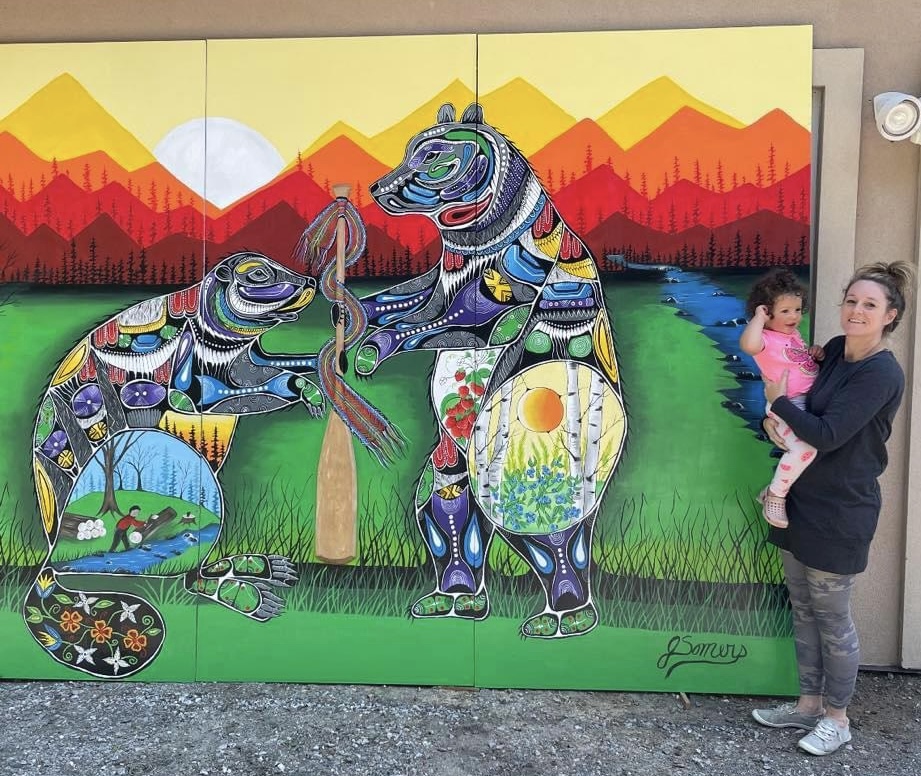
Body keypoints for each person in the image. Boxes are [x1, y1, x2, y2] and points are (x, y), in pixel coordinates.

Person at [751, 261, 914, 756]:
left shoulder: (881, 374)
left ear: (891, 315)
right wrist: (773, 426)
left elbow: (826, 433)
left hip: (841, 510)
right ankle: (807, 704)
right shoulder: (837, 351)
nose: (856, 311)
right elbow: (806, 416)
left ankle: (837, 719)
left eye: (869, 305)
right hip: (798, 497)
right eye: (851, 301)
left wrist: (776, 404)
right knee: (802, 609)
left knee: (833, 618)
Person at [740, 270, 824, 527]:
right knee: (804, 448)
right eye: (785, 311)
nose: (794, 316)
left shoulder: (793, 336)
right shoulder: (764, 338)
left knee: (811, 446)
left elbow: (799, 362)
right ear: (767, 311)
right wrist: (758, 318)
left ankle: (774, 491)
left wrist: (814, 354)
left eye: (797, 310)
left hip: (804, 402)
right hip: (786, 405)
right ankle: (775, 494)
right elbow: (748, 346)